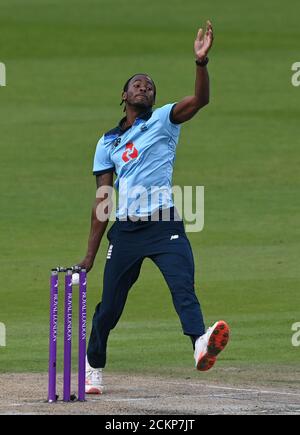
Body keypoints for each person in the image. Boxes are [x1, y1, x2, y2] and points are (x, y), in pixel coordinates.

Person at [78, 21, 230, 394]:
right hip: (127, 231)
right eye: (137, 84)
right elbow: (103, 199)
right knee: (109, 308)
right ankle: (93, 364)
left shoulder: (163, 120)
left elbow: (200, 101)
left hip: (165, 225)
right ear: (124, 94)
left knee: (183, 286)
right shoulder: (108, 142)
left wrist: (201, 62)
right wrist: (89, 255)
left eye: (149, 85)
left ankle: (199, 343)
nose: (144, 87)